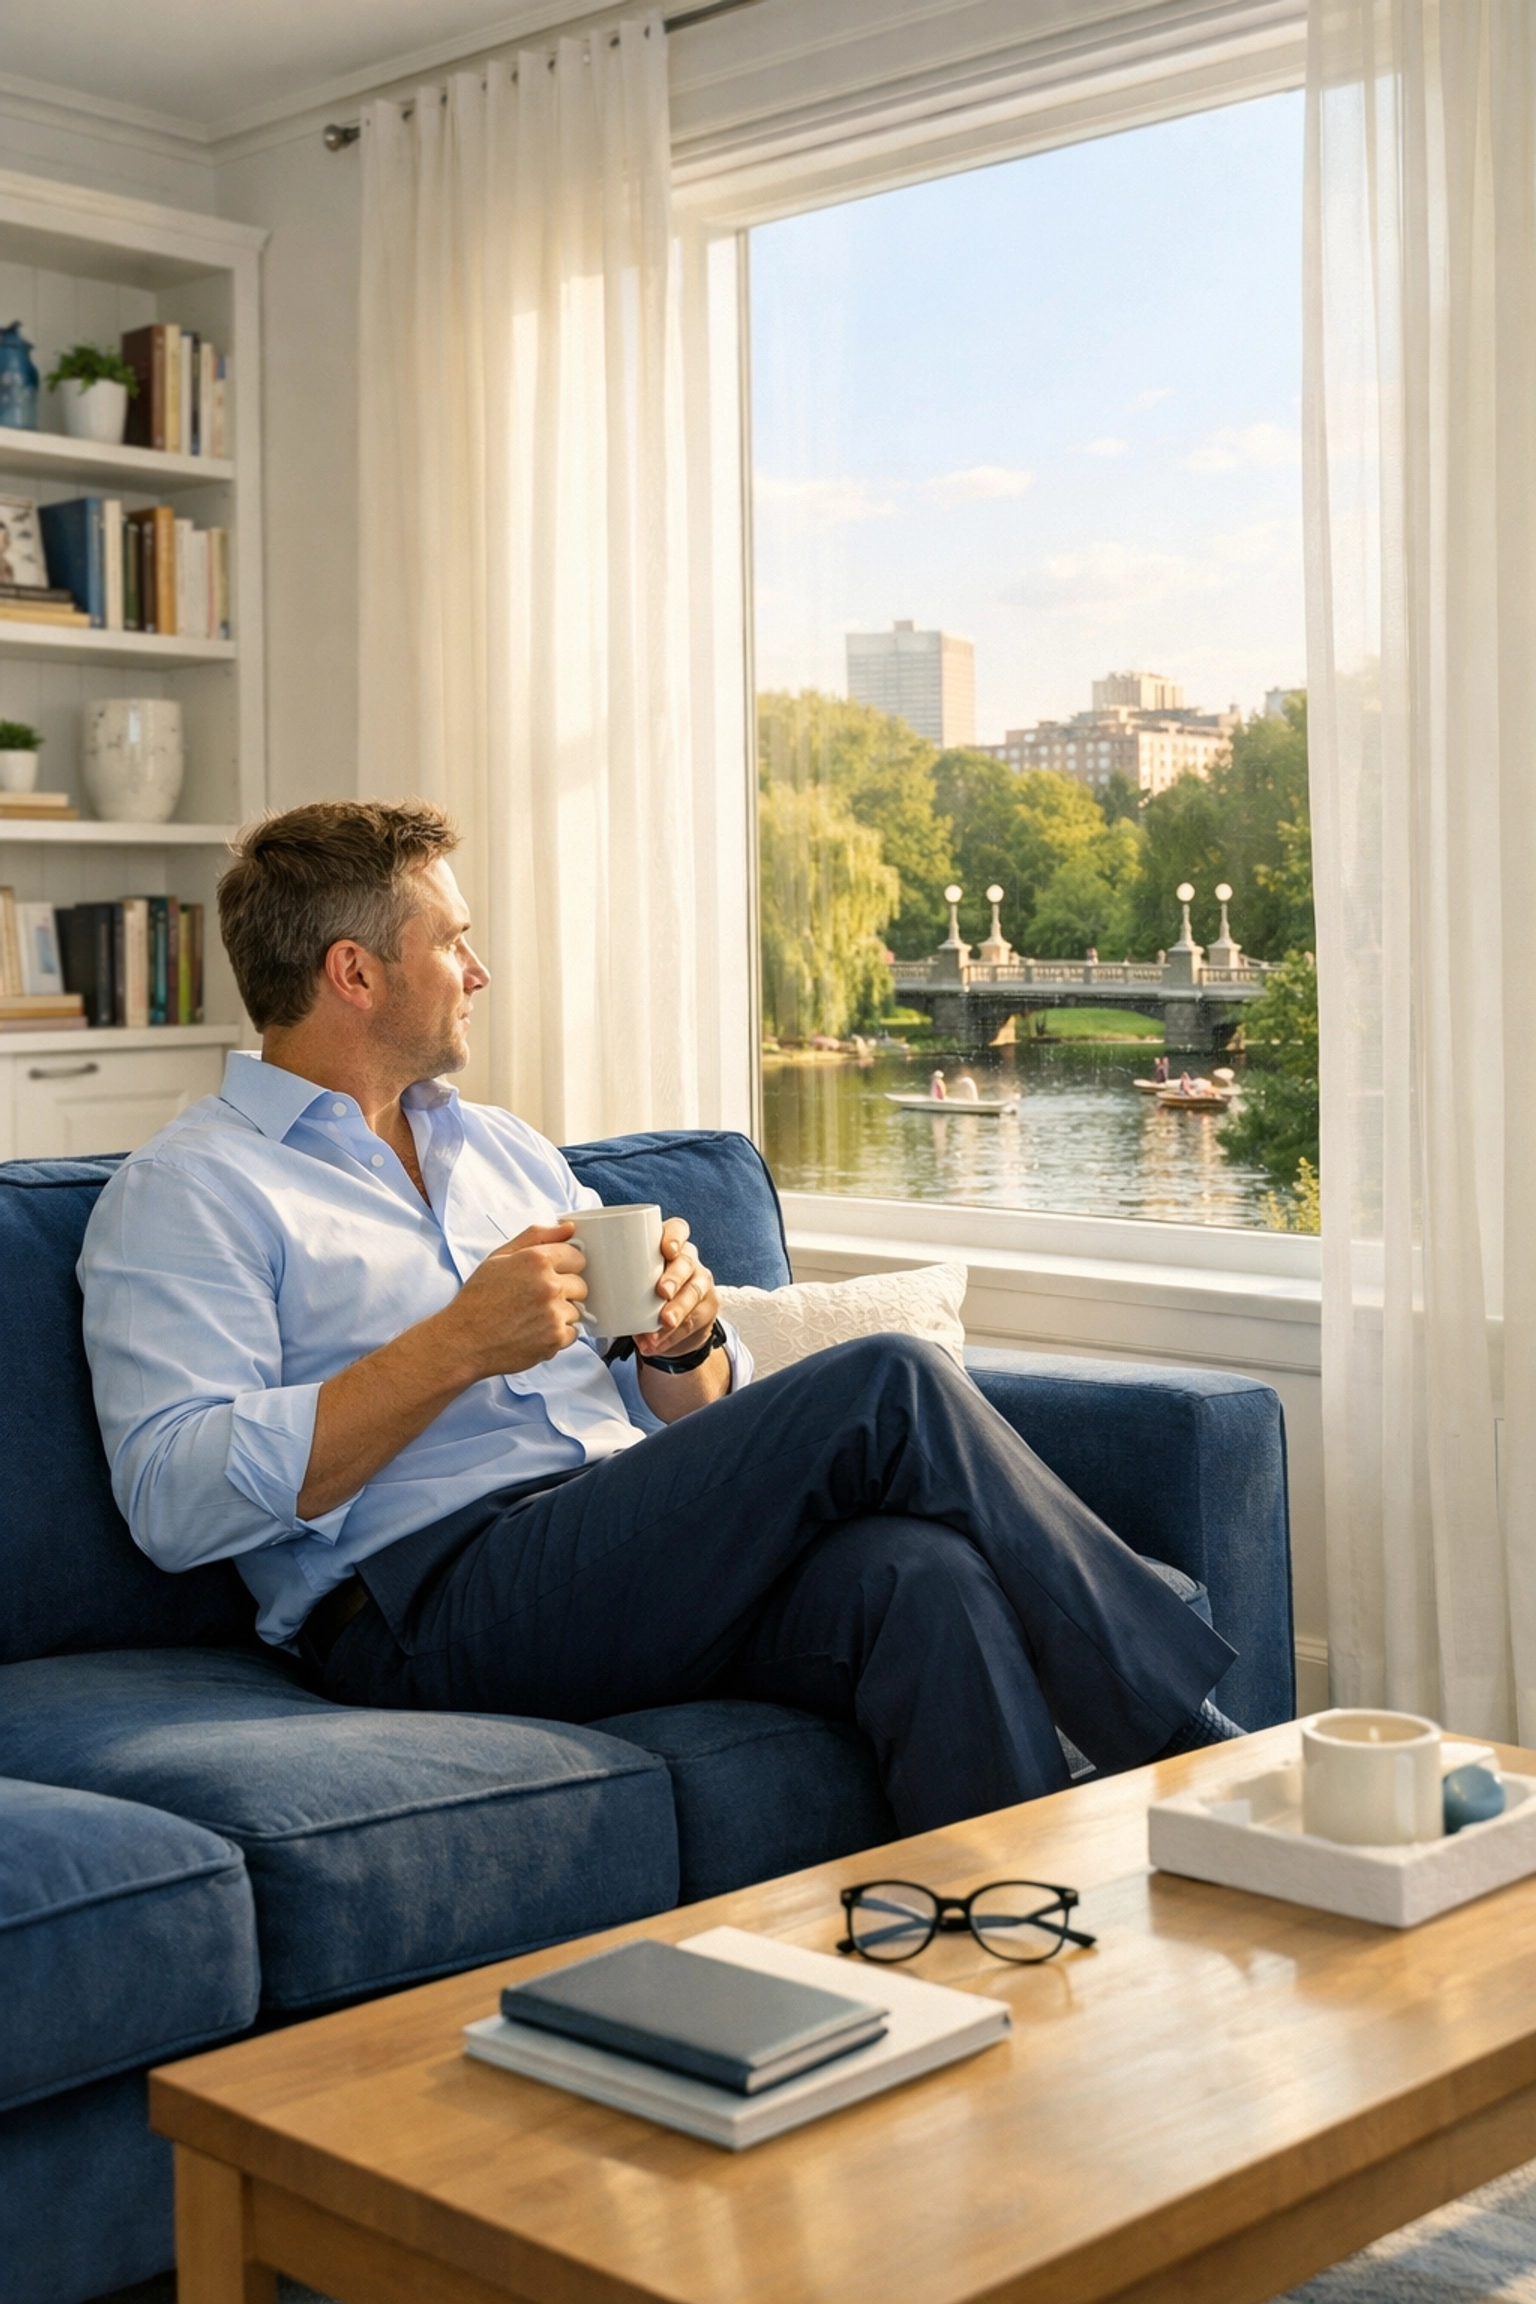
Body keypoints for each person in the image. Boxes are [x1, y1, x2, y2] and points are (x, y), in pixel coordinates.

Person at [79, 801, 1244, 1839]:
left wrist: (682, 1341)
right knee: (889, 1383)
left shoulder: (505, 1149)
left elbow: (680, 1405)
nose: (478, 971)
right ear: (355, 972)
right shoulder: (194, 1189)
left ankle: (1007, 1960)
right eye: (453, 941)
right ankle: (1199, 1761)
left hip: (614, 1543)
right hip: (420, 1606)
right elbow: (174, 1500)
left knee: (919, 1576)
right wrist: (450, 1349)